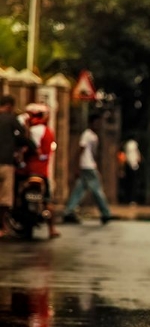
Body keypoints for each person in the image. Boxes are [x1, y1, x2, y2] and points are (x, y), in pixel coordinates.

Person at [62, 113, 112, 224]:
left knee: (79, 190)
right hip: (87, 166)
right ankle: (105, 213)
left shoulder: (93, 136)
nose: (99, 125)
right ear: (92, 123)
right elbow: (80, 150)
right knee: (97, 190)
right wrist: (76, 166)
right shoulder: (87, 135)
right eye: (97, 122)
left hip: (89, 165)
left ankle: (68, 211)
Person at [20, 103, 60, 238]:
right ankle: (52, 229)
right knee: (47, 200)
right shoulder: (49, 131)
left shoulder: (31, 131)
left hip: (28, 171)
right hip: (43, 172)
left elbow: (31, 149)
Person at [0, 95, 27, 238]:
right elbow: (22, 136)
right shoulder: (11, 119)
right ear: (9, 106)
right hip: (6, 163)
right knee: (5, 198)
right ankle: (2, 226)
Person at [122, 139, 141, 205]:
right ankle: (130, 199)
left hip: (133, 166)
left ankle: (131, 199)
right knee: (131, 183)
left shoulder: (131, 146)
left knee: (132, 183)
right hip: (131, 166)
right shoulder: (131, 145)